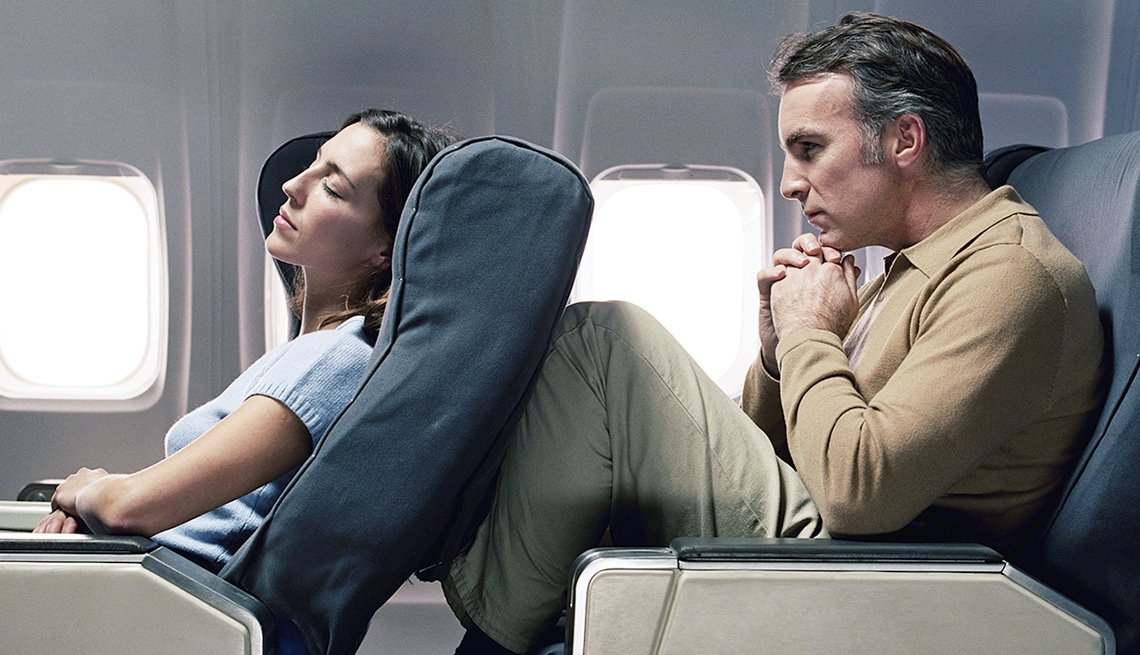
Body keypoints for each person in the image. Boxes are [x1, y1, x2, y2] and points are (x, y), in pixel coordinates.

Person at [443, 13, 1105, 654]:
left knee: (603, 341)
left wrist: (810, 333)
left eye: (810, 149)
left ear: (905, 140)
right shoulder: (910, 265)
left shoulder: (1008, 274)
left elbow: (860, 493)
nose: (789, 183)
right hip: (854, 546)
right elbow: (780, 447)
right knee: (603, 404)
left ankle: (488, 634)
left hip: (891, 579)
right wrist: (777, 354)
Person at [34, 108, 455, 575]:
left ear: (388, 246)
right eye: (313, 164)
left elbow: (128, 509)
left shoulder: (336, 359)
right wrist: (90, 515)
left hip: (178, 593)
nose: (292, 185)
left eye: (332, 188)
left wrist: (89, 491)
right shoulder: (312, 351)